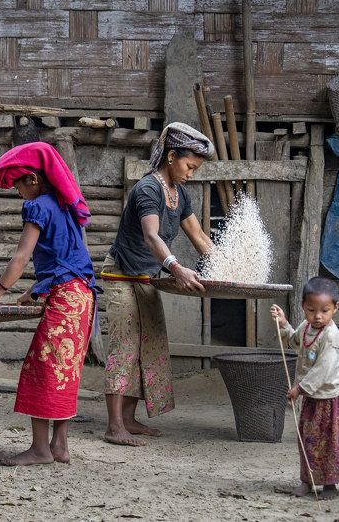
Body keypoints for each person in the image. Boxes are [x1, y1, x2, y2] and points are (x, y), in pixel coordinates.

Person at [0, 141, 96, 466]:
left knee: (40, 369)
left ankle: (40, 450)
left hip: (67, 298)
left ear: (33, 179)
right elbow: (64, 257)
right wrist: (37, 291)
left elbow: (22, 255)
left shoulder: (38, 205)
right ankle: (59, 446)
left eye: (17, 185)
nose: (17, 193)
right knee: (64, 370)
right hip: (81, 295)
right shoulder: (62, 203)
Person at [101, 122, 215, 446]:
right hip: (121, 274)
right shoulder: (147, 189)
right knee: (125, 344)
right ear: (171, 156)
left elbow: (200, 237)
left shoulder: (180, 194)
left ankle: (128, 419)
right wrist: (176, 267)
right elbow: (152, 236)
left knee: (148, 343)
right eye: (189, 166)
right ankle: (113, 427)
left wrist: (227, 268)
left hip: (147, 277)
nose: (191, 173)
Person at [270, 277, 339, 500]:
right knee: (307, 438)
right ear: (303, 307)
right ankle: (307, 480)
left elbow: (323, 370)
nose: (317, 316)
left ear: (335, 308)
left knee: (330, 441)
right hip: (311, 398)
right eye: (311, 310)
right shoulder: (307, 327)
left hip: (330, 399)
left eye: (324, 311)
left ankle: (330, 484)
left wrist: (299, 388)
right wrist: (283, 323)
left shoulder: (332, 337)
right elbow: (293, 340)